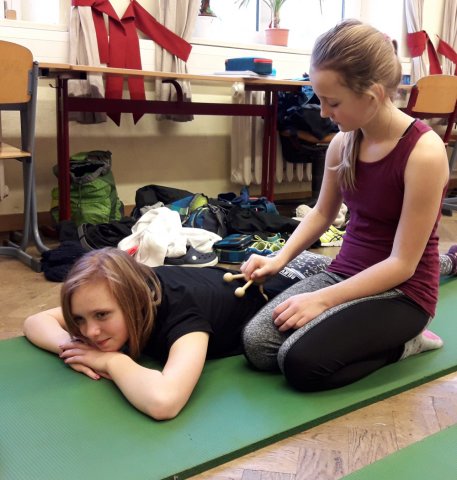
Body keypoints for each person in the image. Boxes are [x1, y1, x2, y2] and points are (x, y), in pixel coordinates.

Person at [240, 19, 451, 392]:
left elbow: (402, 264)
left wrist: (321, 300)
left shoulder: (425, 153)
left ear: (372, 96)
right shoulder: (343, 142)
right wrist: (278, 260)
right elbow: (322, 214)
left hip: (403, 292)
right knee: (258, 346)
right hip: (346, 273)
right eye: (319, 98)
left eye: (332, 102)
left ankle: (406, 343)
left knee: (301, 364)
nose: (322, 112)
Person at [23, 246, 332, 420]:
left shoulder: (182, 313)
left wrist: (110, 362)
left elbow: (164, 401)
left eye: (102, 316)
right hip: (270, 273)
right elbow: (36, 321)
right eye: (79, 320)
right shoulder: (125, 288)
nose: (90, 332)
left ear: (133, 302)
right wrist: (72, 346)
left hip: (302, 281)